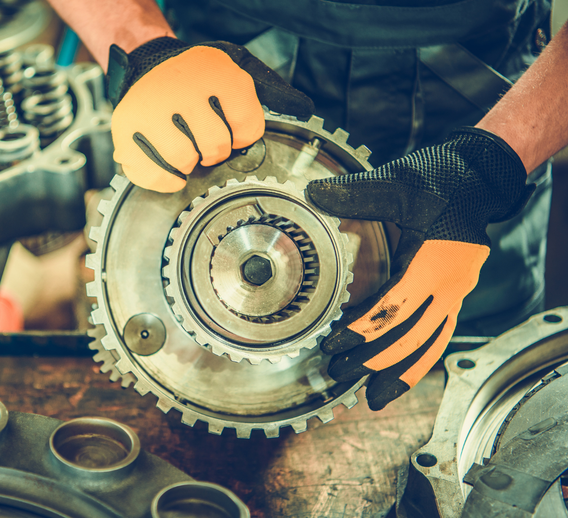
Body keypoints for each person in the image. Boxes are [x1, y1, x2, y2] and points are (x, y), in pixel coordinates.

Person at [45, 0, 568, 410]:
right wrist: (144, 48)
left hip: (486, 117)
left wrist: (489, 165)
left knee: (469, 388)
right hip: (216, 88)